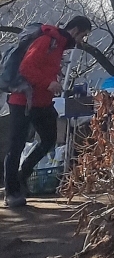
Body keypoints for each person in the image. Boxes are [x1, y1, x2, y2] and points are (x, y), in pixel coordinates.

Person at [5, 14, 94, 210]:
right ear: (75, 30)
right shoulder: (48, 40)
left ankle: (23, 175)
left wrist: (53, 82)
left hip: (42, 101)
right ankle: (12, 192)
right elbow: (26, 67)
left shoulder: (59, 45)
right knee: (16, 145)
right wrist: (49, 83)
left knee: (49, 138)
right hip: (22, 100)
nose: (81, 41)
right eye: (83, 35)